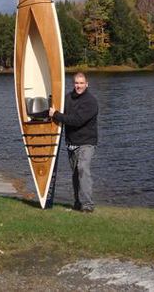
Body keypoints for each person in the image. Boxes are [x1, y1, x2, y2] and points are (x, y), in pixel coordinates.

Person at [49, 72, 98, 212]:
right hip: (71, 143)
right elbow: (56, 111)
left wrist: (56, 115)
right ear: (73, 84)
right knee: (76, 174)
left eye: (81, 83)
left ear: (87, 84)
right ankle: (77, 203)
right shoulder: (68, 98)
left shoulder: (91, 101)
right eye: (76, 83)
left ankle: (88, 205)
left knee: (83, 169)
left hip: (87, 142)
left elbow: (77, 121)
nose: (79, 86)